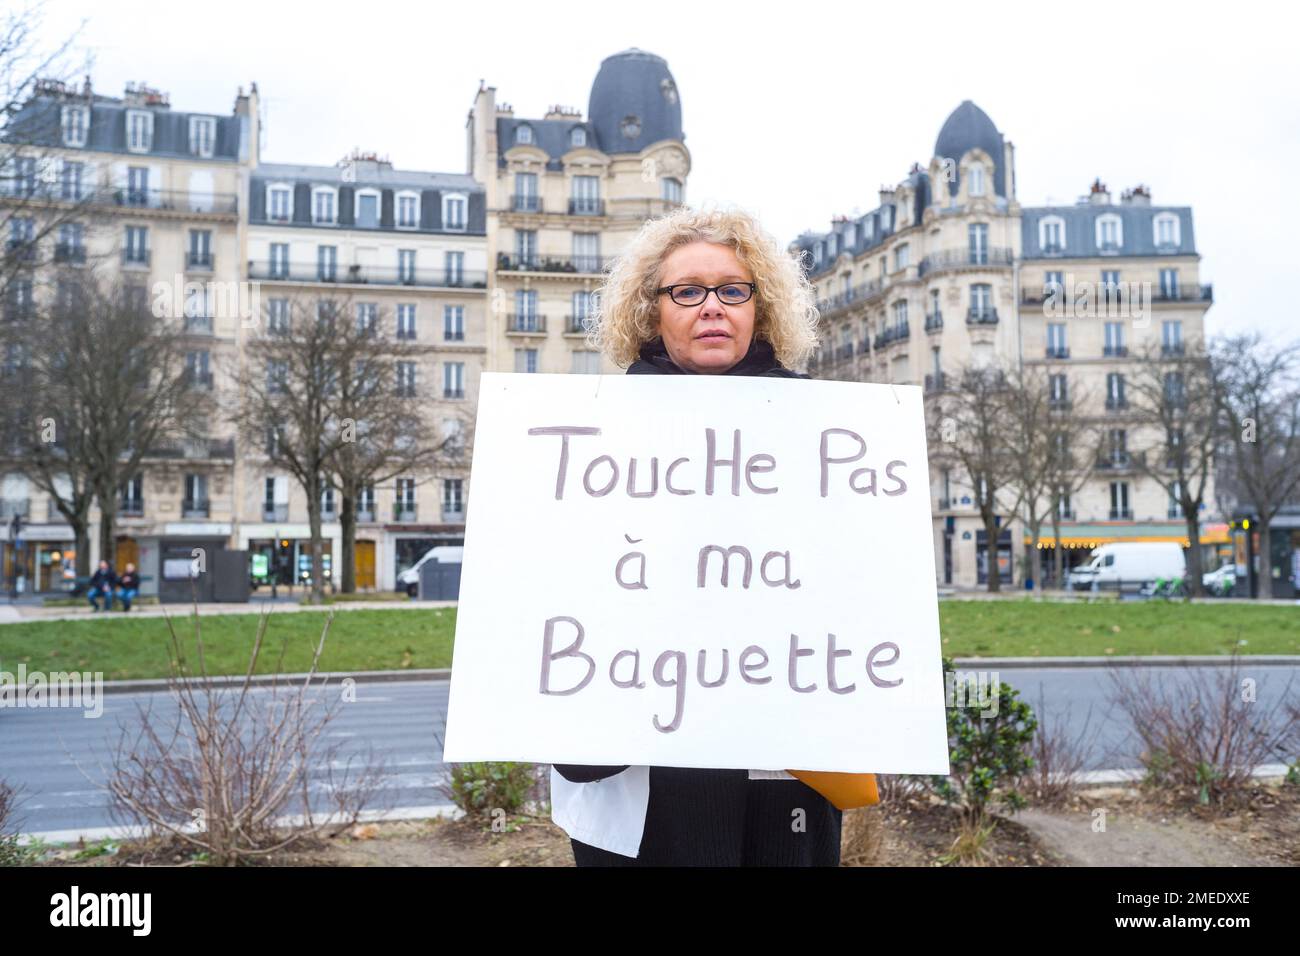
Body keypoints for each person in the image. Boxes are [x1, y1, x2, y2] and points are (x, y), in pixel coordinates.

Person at [551, 205, 839, 867]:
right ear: (652, 311)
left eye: (733, 290)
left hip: (782, 779)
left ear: (759, 309)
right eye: (687, 291)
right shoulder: (594, 441)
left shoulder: (826, 437)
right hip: (643, 793)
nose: (713, 306)